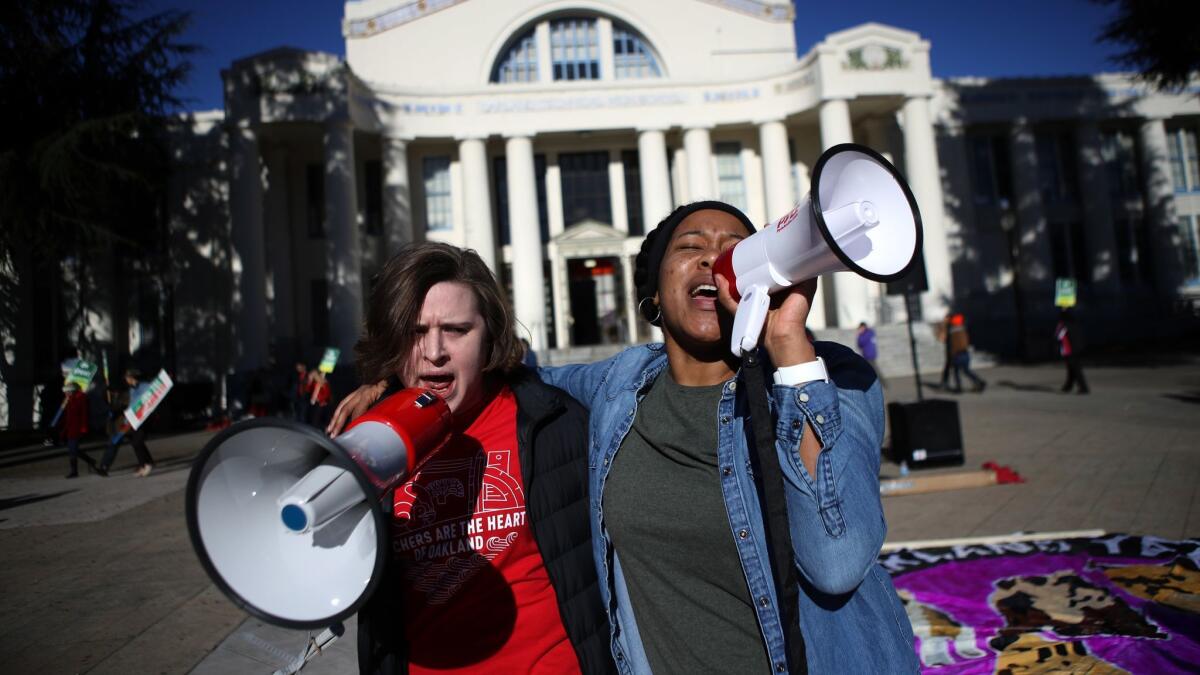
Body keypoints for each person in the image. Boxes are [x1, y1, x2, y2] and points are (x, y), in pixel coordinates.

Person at [333, 203, 917, 673]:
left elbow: (837, 561)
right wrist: (390, 380)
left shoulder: (832, 379)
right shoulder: (615, 389)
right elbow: (495, 371)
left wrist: (788, 343)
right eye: (690, 248)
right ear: (654, 295)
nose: (715, 260)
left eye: (735, 249)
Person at [346, 243, 613, 675]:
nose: (434, 352)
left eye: (455, 330)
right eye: (415, 332)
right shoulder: (365, 439)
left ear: (489, 335)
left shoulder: (557, 422)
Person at [98, 370, 156, 477]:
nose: (126, 380)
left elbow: (152, 396)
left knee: (137, 442)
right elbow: (131, 405)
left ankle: (147, 464)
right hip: (132, 420)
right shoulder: (131, 390)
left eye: (127, 378)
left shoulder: (144, 386)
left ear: (132, 377)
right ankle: (144, 464)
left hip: (144, 419)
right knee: (136, 443)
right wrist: (127, 419)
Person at [61, 382, 97, 478]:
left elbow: (84, 414)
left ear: (72, 391)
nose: (66, 394)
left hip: (77, 428)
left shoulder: (81, 399)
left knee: (73, 449)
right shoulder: (69, 400)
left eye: (67, 392)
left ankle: (74, 471)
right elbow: (67, 416)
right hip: (70, 428)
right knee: (73, 450)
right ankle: (90, 461)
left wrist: (84, 427)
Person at [945, 312, 986, 394]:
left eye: (947, 319)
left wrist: (952, 355)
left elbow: (953, 344)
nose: (946, 320)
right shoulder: (962, 328)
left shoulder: (952, 330)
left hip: (957, 353)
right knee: (966, 370)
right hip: (965, 352)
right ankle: (979, 381)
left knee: (957, 371)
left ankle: (959, 388)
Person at [1056, 308, 1089, 394]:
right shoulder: (1074, 324)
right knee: (1071, 368)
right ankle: (1068, 385)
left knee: (1075, 369)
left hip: (1069, 350)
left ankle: (1083, 387)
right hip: (1077, 348)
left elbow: (1058, 336)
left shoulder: (1063, 325)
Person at [856, 321, 886, 388]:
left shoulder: (865, 334)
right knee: (874, 370)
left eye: (861, 328)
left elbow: (860, 343)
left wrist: (859, 335)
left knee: (873, 370)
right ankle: (883, 383)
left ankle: (881, 384)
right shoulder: (871, 332)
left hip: (869, 355)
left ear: (864, 327)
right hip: (870, 354)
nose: (860, 329)